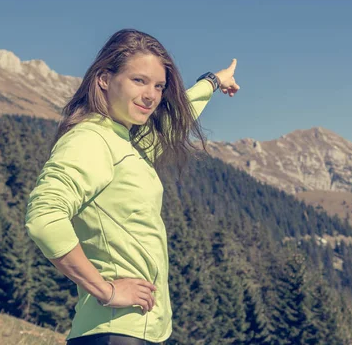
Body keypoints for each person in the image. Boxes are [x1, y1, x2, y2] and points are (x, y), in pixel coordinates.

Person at [24, 28, 240, 345]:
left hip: (141, 331)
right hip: (116, 332)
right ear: (104, 79)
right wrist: (106, 290)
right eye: (138, 81)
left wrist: (212, 82)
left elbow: (176, 118)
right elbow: (44, 217)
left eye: (159, 86)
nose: (151, 95)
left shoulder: (125, 140)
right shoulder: (91, 139)